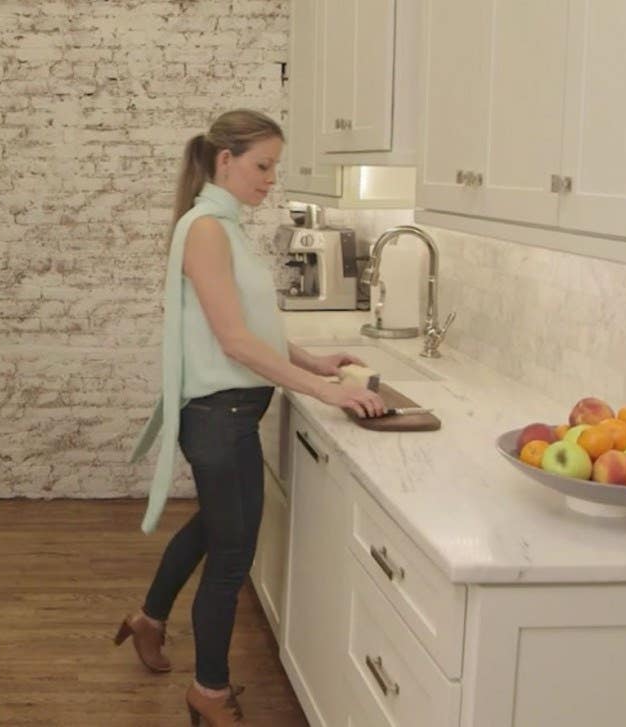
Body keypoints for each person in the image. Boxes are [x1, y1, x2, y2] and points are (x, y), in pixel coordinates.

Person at [116, 109, 385, 725]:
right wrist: (328, 395)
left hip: (229, 412)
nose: (271, 179)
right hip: (219, 416)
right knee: (233, 556)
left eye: (274, 167)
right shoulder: (208, 228)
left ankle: (147, 620)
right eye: (262, 166)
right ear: (224, 161)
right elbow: (235, 343)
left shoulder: (225, 226)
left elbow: (251, 326)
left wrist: (314, 364)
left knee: (215, 527)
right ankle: (209, 691)